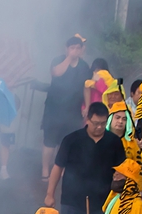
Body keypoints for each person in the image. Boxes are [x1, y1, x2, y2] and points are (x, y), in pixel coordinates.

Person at [36, 35, 90, 182]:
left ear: (81, 50)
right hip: (54, 108)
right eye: (72, 48)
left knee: (67, 141)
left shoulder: (84, 67)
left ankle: (61, 170)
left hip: (73, 110)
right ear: (66, 49)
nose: (75, 51)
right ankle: (45, 170)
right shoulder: (58, 60)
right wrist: (68, 58)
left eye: (77, 48)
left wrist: (88, 105)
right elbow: (56, 73)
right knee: (49, 141)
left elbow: (86, 87)